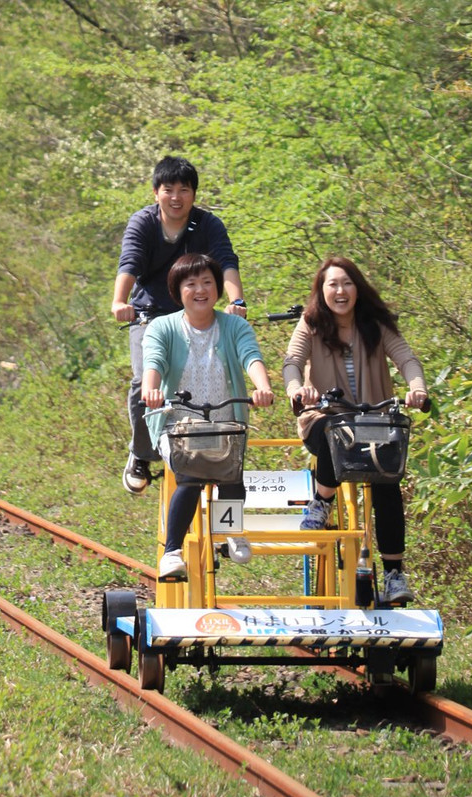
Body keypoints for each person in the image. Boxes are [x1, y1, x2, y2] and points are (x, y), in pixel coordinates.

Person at [282, 256, 429, 604]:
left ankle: (393, 574)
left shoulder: (375, 324)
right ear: (321, 290)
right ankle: (322, 501)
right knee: (335, 434)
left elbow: (406, 359)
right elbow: (292, 362)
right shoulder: (311, 324)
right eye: (332, 284)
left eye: (347, 283)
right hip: (325, 417)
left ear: (358, 289)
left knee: (387, 482)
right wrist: (297, 391)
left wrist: (417, 388)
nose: (340, 291)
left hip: (373, 421)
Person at [112, 156, 246, 496]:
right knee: (144, 381)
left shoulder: (208, 224)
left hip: (197, 313)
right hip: (151, 314)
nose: (176, 197)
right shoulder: (143, 223)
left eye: (184, 190)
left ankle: (218, 445)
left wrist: (237, 300)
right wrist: (119, 301)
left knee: (217, 375)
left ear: (194, 194)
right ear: (156, 192)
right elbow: (130, 261)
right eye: (168, 189)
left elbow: (226, 260)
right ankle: (142, 453)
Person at [141, 253, 274, 580]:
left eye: (207, 282)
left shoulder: (235, 326)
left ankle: (230, 531)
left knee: (231, 473)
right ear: (178, 290)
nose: (200, 290)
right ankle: (172, 551)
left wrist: (263, 387)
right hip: (177, 425)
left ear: (217, 288)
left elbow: (250, 356)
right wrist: (151, 390)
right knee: (193, 474)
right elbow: (154, 362)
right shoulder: (163, 327)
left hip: (225, 423)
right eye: (191, 284)